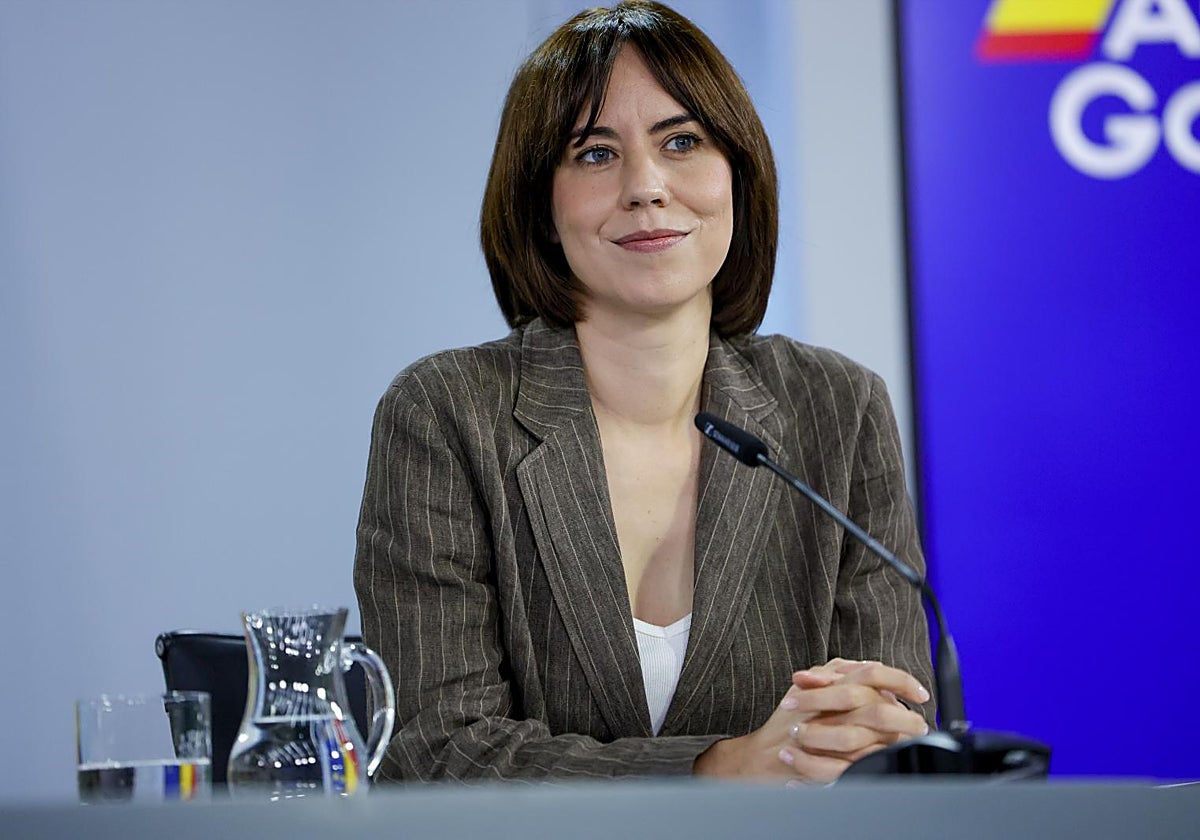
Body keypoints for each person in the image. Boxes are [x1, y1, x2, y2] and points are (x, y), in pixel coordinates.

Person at [354, 0, 933, 784]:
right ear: (542, 207)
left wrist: (860, 734)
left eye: (683, 141)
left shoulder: (839, 407)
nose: (647, 187)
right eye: (595, 154)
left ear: (738, 174)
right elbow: (435, 749)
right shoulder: (447, 413)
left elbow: (888, 725)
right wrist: (717, 771)